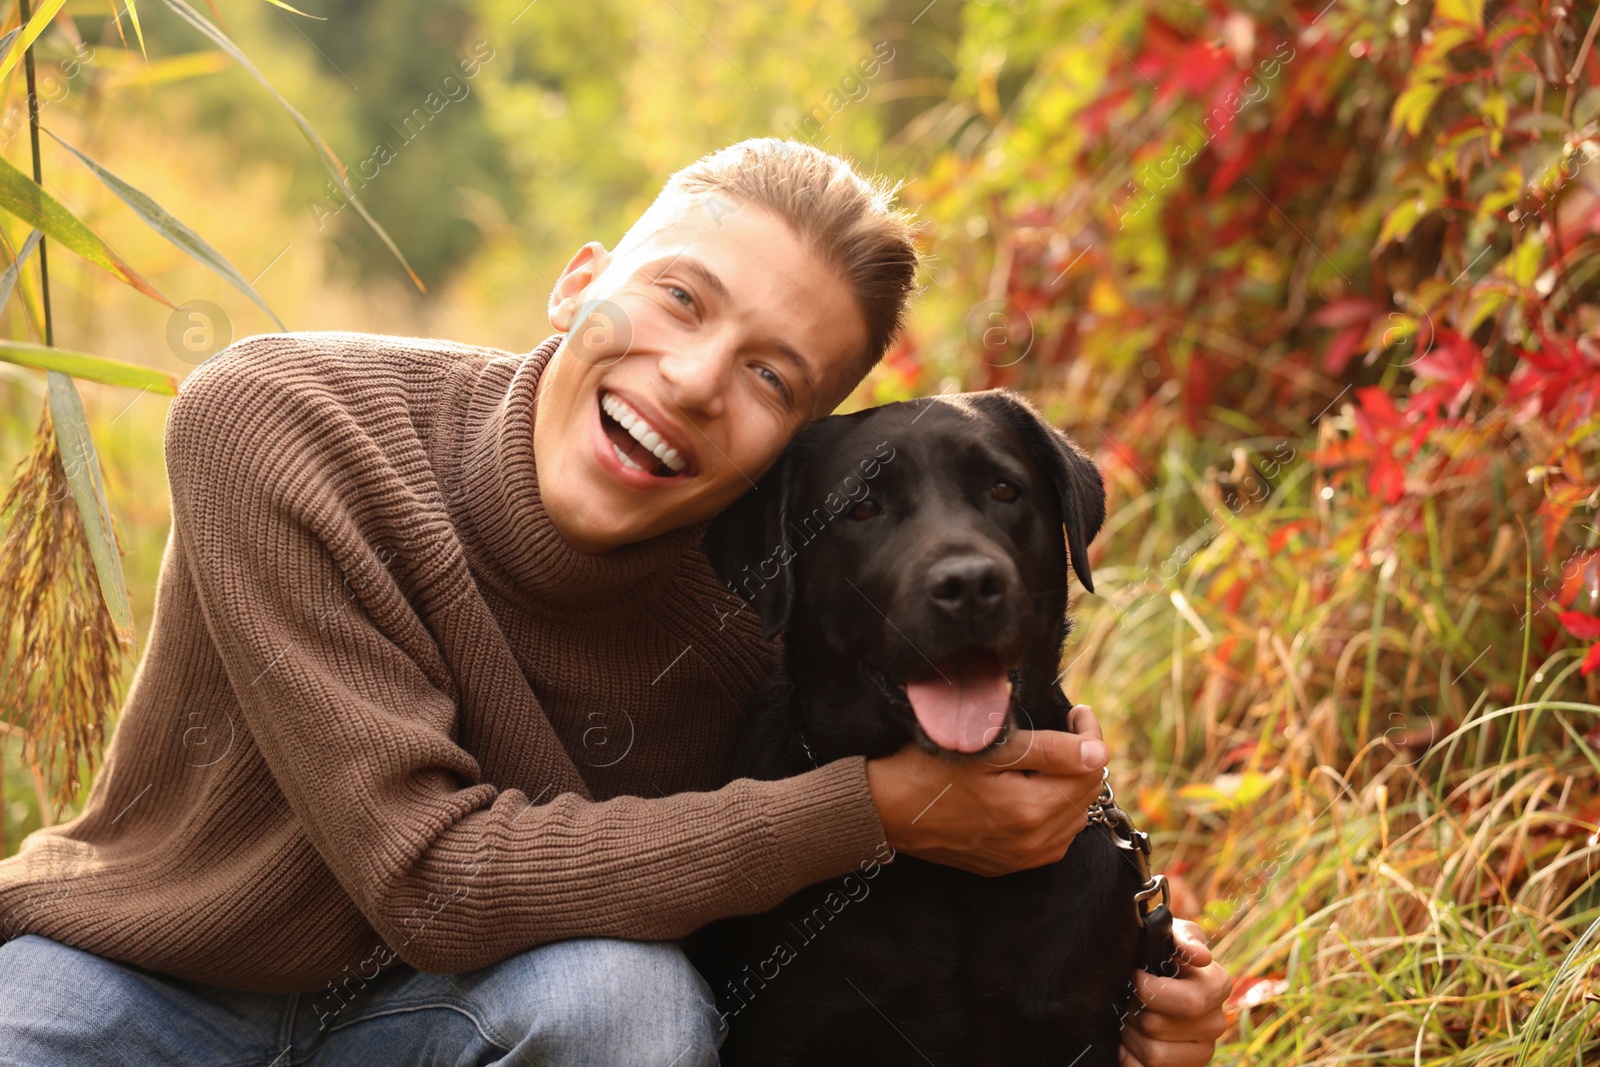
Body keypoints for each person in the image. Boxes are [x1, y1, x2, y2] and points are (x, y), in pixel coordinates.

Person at [0, 138, 1230, 1066]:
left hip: (455, 1014)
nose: (692, 380)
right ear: (578, 278)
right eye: (680, 299)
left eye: (767, 374)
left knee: (627, 1003)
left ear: (794, 449)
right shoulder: (283, 423)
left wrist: (1132, 995)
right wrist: (870, 810)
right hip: (142, 982)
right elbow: (427, 873)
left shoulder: (775, 589)